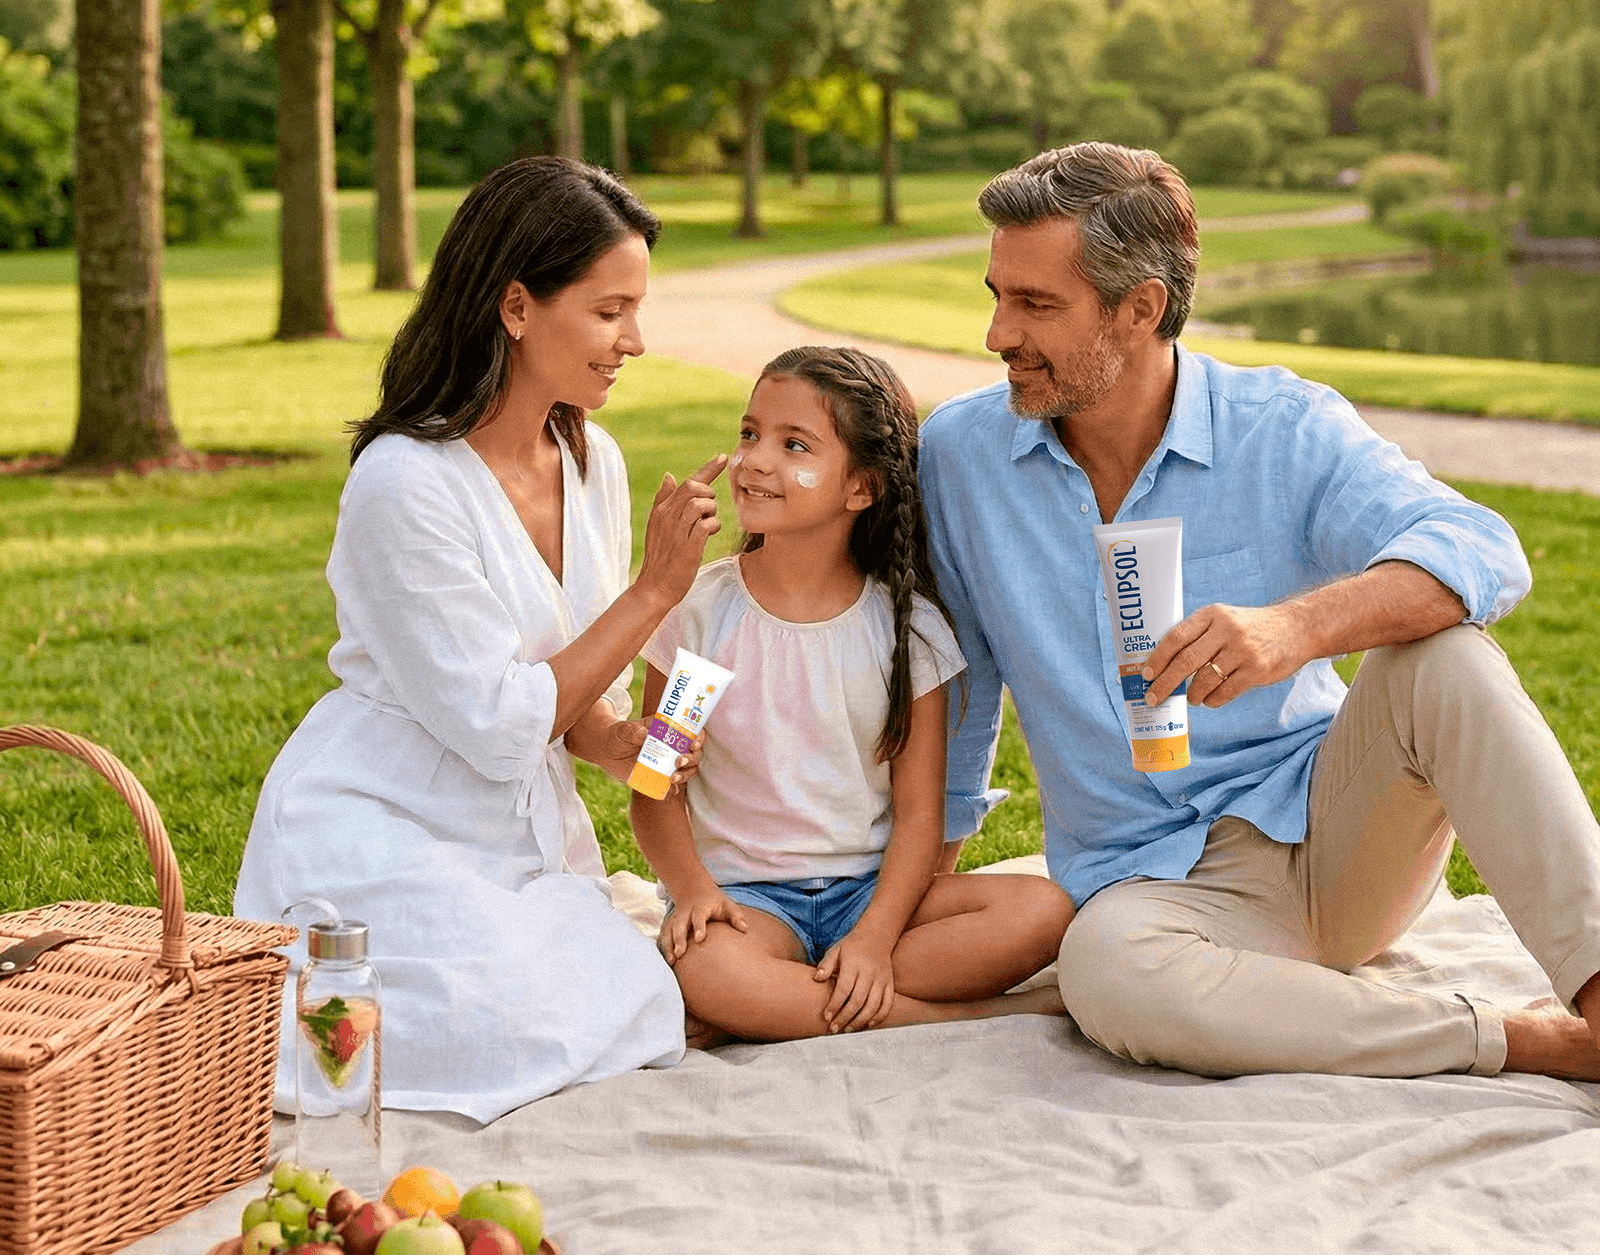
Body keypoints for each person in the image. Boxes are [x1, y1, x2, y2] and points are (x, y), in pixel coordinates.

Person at [918, 141, 1600, 1081]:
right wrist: (913, 905)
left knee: (1445, 660)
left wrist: (1294, 630)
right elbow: (958, 696)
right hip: (1150, 885)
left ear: (1141, 307)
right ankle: (1522, 1040)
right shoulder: (960, 456)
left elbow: (1483, 549)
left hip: (1337, 835)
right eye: (996, 294)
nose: (998, 333)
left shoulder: (1282, 428)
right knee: (1106, 972)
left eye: (1035, 304)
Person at [235, 157, 728, 1123]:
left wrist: (620, 740)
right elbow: (500, 725)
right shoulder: (403, 482)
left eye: (636, 309)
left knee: (628, 976)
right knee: (492, 1011)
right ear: (515, 305)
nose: (635, 339)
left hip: (521, 832)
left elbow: (569, 704)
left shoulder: (593, 455)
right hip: (384, 820)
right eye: (608, 310)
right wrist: (656, 590)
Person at [631, 346, 1074, 1043]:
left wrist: (871, 939)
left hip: (874, 902)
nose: (755, 459)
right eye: (750, 434)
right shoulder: (702, 617)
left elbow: (920, 820)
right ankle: (975, 1016)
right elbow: (655, 787)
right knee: (710, 965)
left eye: (793, 444)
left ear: (860, 488)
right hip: (749, 906)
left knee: (1045, 910)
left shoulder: (908, 631)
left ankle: (781, 1008)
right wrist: (693, 893)